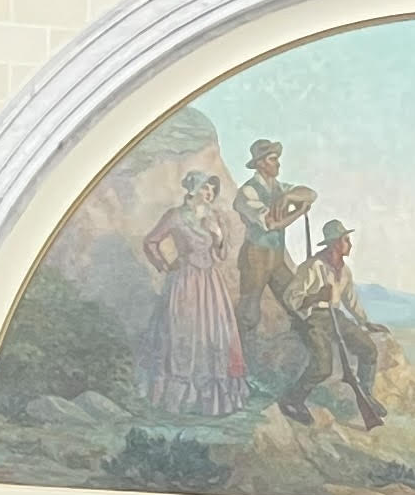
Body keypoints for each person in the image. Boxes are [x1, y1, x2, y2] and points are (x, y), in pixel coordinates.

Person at [137, 170, 244, 417]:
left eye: (212, 190)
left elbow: (221, 255)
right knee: (182, 333)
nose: (209, 194)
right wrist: (164, 265)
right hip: (185, 282)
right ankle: (176, 401)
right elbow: (150, 242)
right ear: (192, 189)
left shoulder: (215, 217)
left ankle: (209, 401)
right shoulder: (176, 216)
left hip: (211, 284)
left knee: (214, 334)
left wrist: (217, 236)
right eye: (205, 188)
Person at [275, 221, 385, 430]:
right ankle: (292, 400)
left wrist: (365, 322)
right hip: (312, 318)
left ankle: (366, 395)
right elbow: (291, 298)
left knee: (368, 349)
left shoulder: (344, 271)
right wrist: (315, 296)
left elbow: (350, 301)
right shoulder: (312, 267)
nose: (350, 244)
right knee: (323, 366)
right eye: (346, 240)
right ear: (335, 244)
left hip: (335, 316)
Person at [232, 137, 312, 366]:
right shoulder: (247, 192)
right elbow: (271, 223)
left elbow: (310, 194)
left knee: (293, 299)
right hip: (255, 256)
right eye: (273, 159)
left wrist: (289, 197)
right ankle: (241, 363)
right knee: (249, 312)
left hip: (276, 258)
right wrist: (298, 211)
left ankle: (299, 358)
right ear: (260, 164)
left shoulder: (279, 188)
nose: (278, 164)